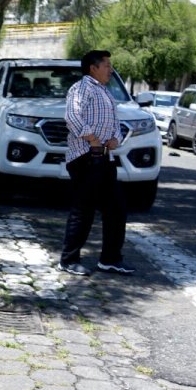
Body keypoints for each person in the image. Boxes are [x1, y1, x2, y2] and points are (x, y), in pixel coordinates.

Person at [58, 50, 135, 276]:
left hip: (105, 158)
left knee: (116, 208)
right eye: (107, 65)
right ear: (93, 68)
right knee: (83, 210)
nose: (111, 69)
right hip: (85, 157)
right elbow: (72, 116)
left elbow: (115, 123)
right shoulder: (81, 88)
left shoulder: (105, 92)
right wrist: (92, 138)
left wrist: (115, 139)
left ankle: (110, 259)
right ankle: (68, 260)